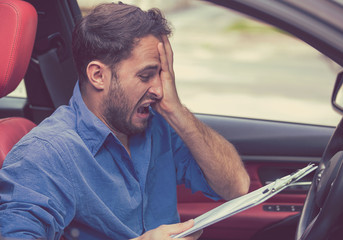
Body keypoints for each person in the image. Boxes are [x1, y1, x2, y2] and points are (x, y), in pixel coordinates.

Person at [0, 2, 250, 240]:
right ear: (98, 75)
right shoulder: (47, 153)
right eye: (146, 75)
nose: (160, 90)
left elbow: (236, 187)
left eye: (162, 75)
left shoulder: (157, 124)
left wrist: (177, 111)